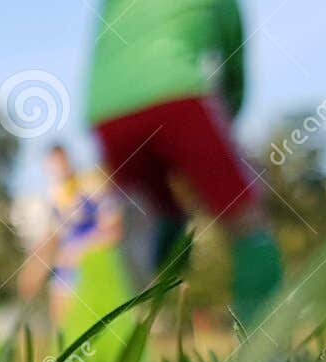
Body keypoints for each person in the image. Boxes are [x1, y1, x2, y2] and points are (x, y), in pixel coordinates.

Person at [86, 0, 283, 322]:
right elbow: (234, 67)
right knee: (246, 219)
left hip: (107, 112)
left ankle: (133, 324)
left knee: (151, 220)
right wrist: (225, 132)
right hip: (178, 95)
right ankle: (262, 343)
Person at [19, 146, 126, 330]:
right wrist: (34, 266)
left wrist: (81, 249)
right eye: (52, 165)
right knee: (63, 327)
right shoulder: (53, 198)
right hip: (66, 272)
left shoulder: (91, 187)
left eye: (60, 162)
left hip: (94, 266)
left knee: (104, 325)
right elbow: (52, 238)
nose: (57, 169)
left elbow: (113, 230)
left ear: (68, 160)